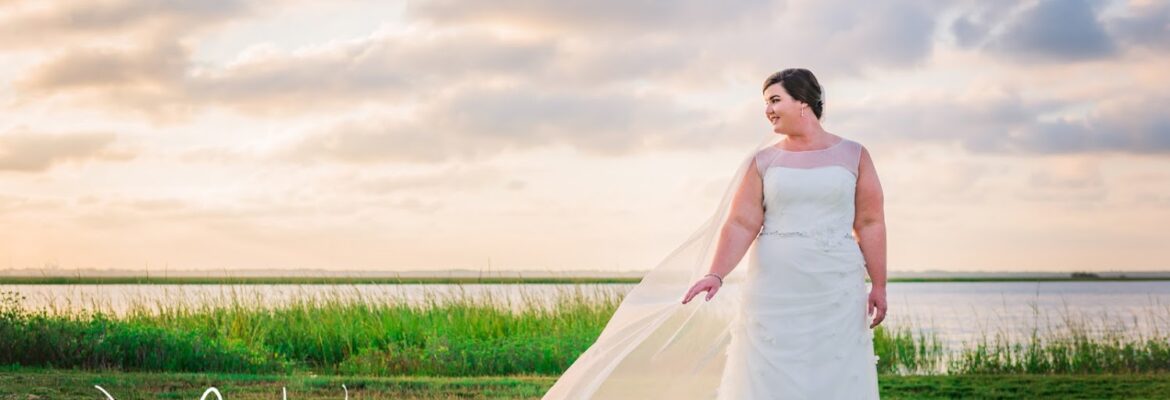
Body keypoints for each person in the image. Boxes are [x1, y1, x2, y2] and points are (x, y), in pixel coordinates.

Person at [543, 68, 887, 399]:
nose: (767, 110)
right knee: (770, 369)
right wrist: (715, 273)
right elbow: (741, 223)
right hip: (775, 285)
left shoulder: (854, 155)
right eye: (765, 103)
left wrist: (879, 285)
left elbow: (870, 222)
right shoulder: (764, 161)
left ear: (803, 101)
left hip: (836, 284)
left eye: (775, 100)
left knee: (836, 366)